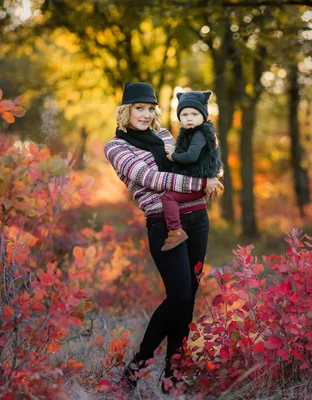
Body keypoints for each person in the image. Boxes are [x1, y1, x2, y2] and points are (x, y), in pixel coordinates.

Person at [104, 82, 223, 392]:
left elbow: (198, 163)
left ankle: (172, 376)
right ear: (125, 111)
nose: (145, 114)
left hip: (198, 218)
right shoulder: (116, 147)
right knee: (179, 295)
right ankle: (138, 365)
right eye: (138, 108)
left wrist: (207, 174)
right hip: (163, 223)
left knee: (188, 300)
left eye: (149, 108)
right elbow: (152, 179)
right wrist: (202, 183)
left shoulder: (167, 136)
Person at [160, 91, 223, 252]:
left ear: (203, 116)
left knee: (168, 197)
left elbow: (190, 157)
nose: (189, 118)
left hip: (198, 181)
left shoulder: (201, 133)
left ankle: (175, 231)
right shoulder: (191, 133)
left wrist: (173, 156)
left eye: (194, 114)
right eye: (185, 114)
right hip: (195, 180)